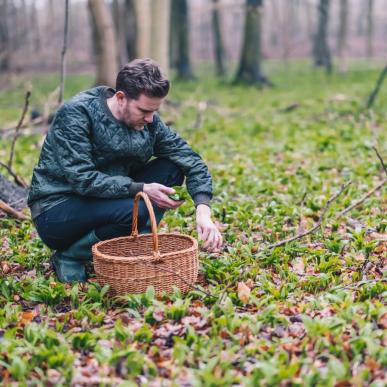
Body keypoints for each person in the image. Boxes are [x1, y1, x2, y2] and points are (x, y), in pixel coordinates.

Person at [28, 58, 223, 282]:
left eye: (154, 111)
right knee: (136, 208)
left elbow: (190, 159)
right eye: (144, 110)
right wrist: (140, 188)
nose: (151, 119)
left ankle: (135, 241)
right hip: (57, 210)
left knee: (173, 166)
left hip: (110, 198)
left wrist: (203, 210)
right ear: (121, 98)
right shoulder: (77, 113)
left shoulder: (150, 122)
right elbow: (82, 179)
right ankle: (71, 256)